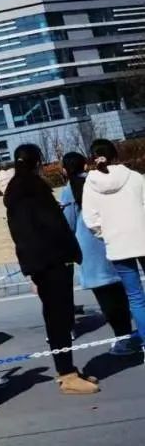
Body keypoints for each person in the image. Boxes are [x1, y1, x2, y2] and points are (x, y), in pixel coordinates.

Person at [3, 143, 97, 394]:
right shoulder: (34, 188)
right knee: (59, 318)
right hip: (52, 260)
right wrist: (72, 251)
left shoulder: (15, 190)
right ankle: (67, 374)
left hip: (39, 261)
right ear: (37, 163)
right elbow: (54, 225)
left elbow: (21, 233)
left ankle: (67, 369)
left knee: (56, 317)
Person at [60, 152, 140, 355]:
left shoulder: (69, 191)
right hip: (115, 241)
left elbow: (68, 224)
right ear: (85, 166)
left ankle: (124, 339)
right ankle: (134, 335)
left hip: (90, 249)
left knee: (107, 299)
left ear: (65, 170)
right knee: (127, 294)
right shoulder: (100, 181)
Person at [82, 138, 145, 347]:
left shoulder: (90, 184)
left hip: (117, 244)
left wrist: (106, 234)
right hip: (143, 237)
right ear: (115, 155)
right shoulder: (134, 177)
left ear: (93, 158)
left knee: (136, 298)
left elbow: (91, 220)